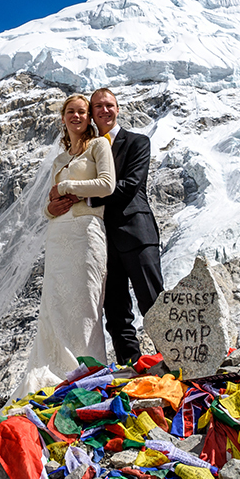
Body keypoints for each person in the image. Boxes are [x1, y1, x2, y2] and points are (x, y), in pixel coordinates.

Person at [18, 94, 117, 393]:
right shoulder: (59, 160)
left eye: (82, 112)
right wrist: (50, 209)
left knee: (86, 303)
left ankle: (88, 373)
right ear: (63, 118)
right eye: (70, 112)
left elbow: (107, 184)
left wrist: (68, 186)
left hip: (86, 230)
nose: (76, 116)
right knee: (56, 305)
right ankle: (55, 373)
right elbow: (49, 203)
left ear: (89, 117)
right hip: (58, 235)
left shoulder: (99, 145)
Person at [59, 87, 163, 366]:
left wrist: (85, 196)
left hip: (136, 233)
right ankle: (131, 365)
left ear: (117, 109)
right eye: (98, 106)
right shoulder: (88, 149)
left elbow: (130, 185)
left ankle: (174, 358)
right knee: (116, 311)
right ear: (92, 114)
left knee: (153, 301)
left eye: (109, 105)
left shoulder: (138, 142)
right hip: (102, 240)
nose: (104, 110)